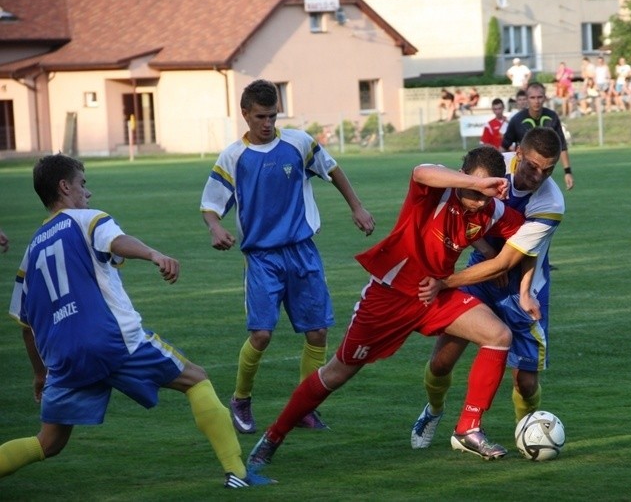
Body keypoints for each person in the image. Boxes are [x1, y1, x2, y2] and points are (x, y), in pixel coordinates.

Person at [246, 146, 528, 470]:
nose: (478, 200)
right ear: (462, 175)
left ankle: (468, 428)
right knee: (337, 373)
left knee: (498, 335)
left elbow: (527, 235)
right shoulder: (436, 192)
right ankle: (273, 436)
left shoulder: (490, 211)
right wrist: (477, 184)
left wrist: (521, 268)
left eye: (484, 193)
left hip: (433, 294)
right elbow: (421, 171)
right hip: (388, 297)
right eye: (472, 190)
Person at [2, 155, 273, 489]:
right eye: (83, 184)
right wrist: (154, 254)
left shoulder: (31, 252)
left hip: (64, 357)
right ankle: (239, 474)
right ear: (64, 186)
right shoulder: (87, 220)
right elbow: (115, 240)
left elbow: (25, 324)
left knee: (49, 442)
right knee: (196, 379)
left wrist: (40, 374)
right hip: (112, 339)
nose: (87, 193)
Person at [200, 79, 375, 435]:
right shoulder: (233, 157)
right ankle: (241, 398)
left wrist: (357, 206)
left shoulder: (298, 143)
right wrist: (215, 228)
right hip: (263, 258)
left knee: (317, 332)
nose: (268, 123)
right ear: (245, 114)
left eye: (273, 116)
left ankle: (305, 407)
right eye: (261, 116)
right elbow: (210, 205)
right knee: (262, 335)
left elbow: (333, 169)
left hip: (302, 252)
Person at [411, 127, 565, 451]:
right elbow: (465, 206)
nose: (539, 176)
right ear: (518, 154)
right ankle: (433, 410)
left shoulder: (551, 202)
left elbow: (507, 262)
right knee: (441, 361)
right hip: (479, 276)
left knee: (525, 382)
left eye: (548, 170)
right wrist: (484, 248)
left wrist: (444, 283)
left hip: (522, 286)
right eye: (533, 166)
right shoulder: (494, 169)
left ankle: (528, 433)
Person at [501, 82, 574, 191]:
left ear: (545, 98)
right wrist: (498, 170)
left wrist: (567, 172)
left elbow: (562, 145)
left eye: (540, 97)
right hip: (522, 171)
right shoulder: (517, 119)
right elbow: (504, 145)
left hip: (543, 170)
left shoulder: (552, 117)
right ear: (527, 98)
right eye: (532, 97)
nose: (536, 101)